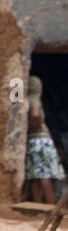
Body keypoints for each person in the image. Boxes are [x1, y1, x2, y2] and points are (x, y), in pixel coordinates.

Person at [26, 75, 65, 203]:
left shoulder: (25, 100)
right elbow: (35, 114)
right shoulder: (34, 99)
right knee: (45, 174)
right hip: (41, 140)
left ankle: (38, 207)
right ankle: (50, 206)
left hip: (32, 140)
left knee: (35, 175)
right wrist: (35, 126)